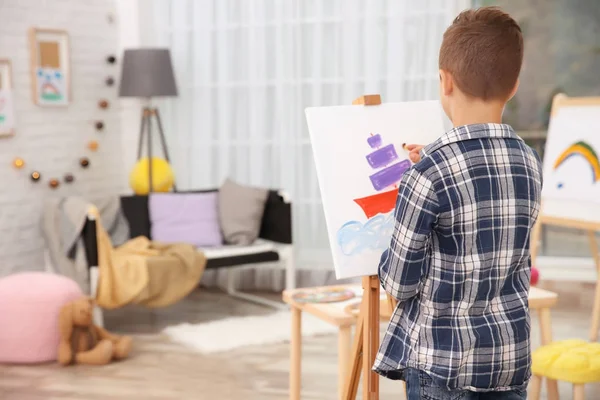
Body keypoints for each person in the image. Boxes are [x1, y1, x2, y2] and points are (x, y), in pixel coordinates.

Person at [374, 6, 543, 400]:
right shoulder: (529, 162)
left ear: (444, 81)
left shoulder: (427, 175)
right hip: (508, 363)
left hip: (444, 370)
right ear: (514, 85)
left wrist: (420, 180)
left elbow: (399, 281)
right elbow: (481, 184)